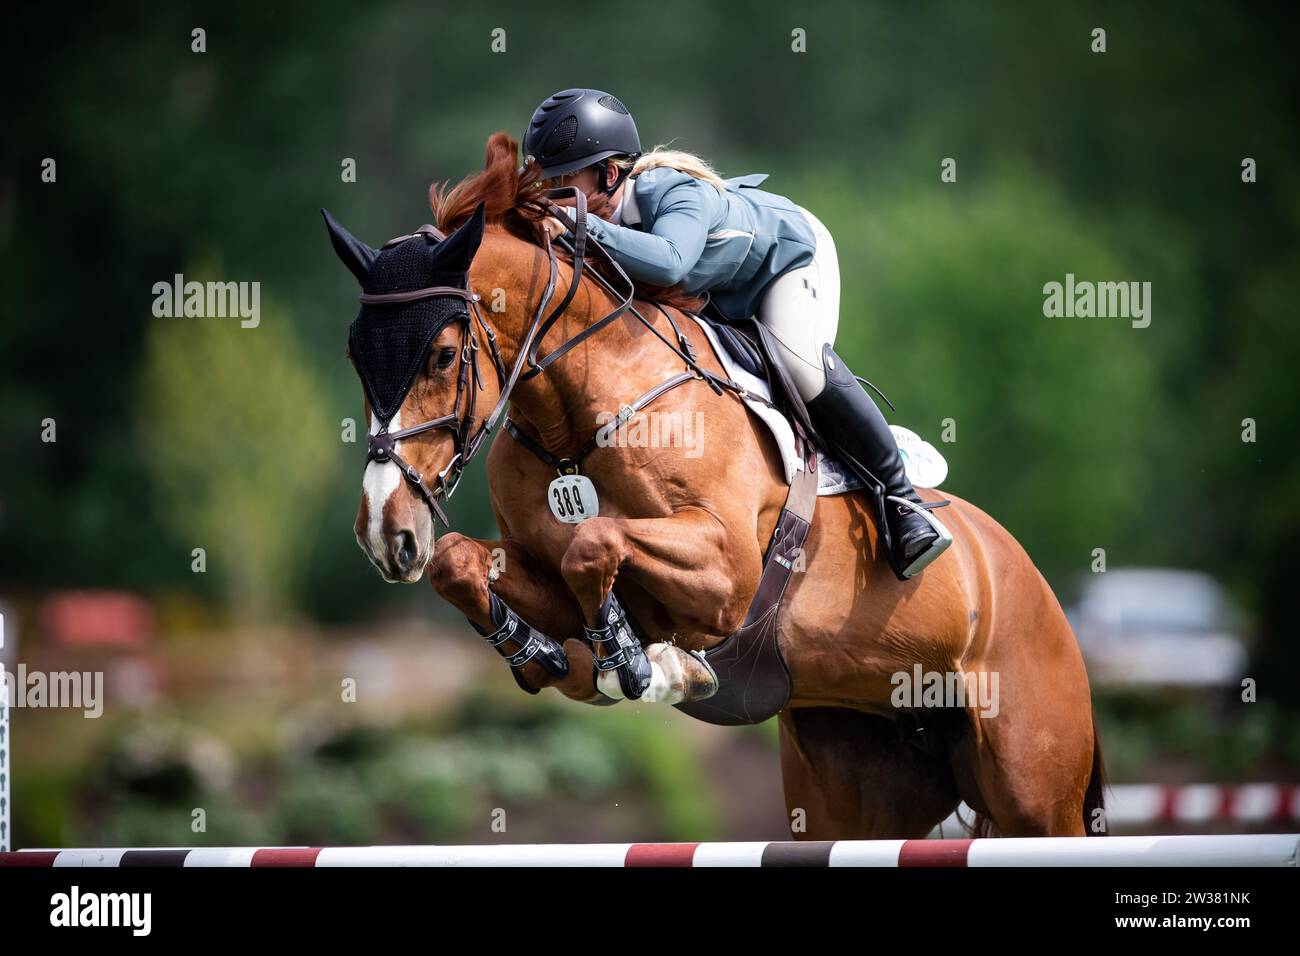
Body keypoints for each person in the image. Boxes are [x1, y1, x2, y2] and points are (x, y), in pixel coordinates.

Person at [523, 88, 950, 580]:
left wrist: (577, 226)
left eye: (562, 180)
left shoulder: (671, 192)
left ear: (610, 174)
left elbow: (669, 263)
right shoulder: (588, 213)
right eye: (544, 183)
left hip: (786, 263)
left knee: (800, 365)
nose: (550, 195)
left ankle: (902, 499)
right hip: (715, 297)